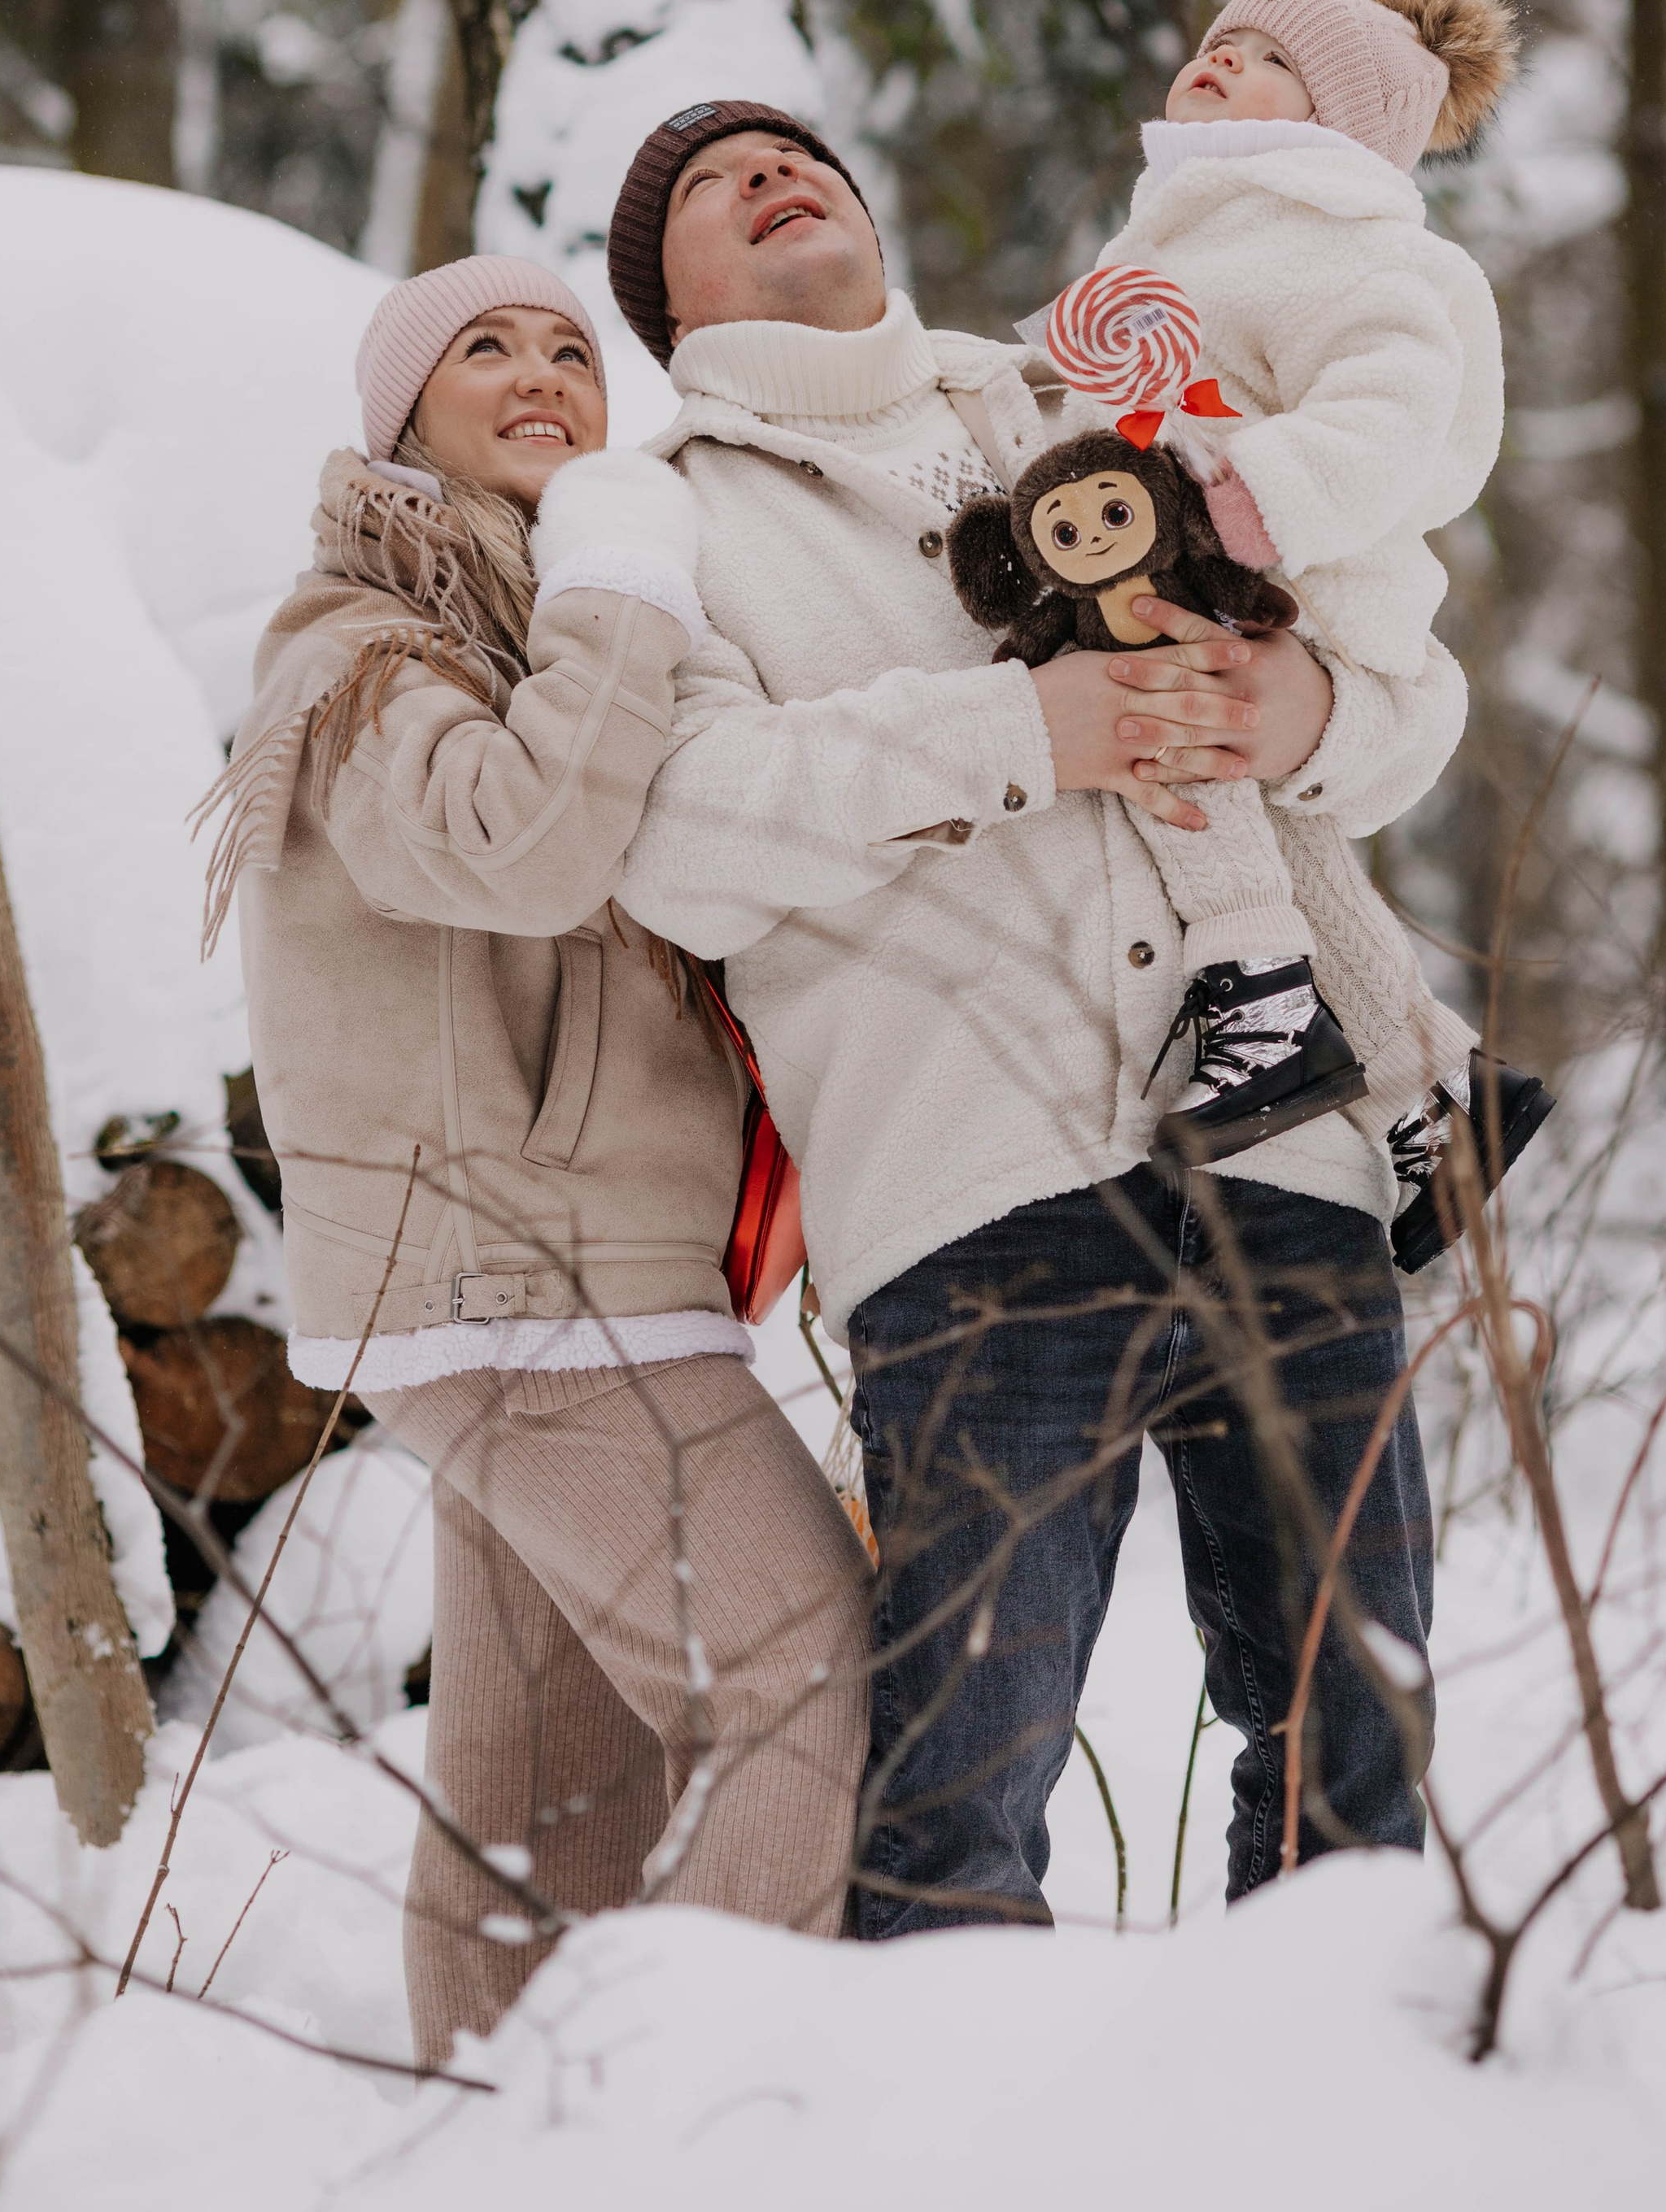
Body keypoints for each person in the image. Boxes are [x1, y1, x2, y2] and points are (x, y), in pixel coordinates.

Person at [604, 98, 1463, 1924]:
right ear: (662, 300)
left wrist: (1291, 714)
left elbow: (1410, 697)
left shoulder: (1095, 402)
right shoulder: (663, 515)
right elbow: (676, 839)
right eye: (706, 185)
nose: (770, 172)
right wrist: (1025, 735)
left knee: (1356, 1755)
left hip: (1283, 1150)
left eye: (795, 152)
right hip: (973, 1200)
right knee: (954, 1805)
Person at [203, 253, 869, 2062]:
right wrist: (622, 581)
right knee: (812, 1688)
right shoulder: (359, 649)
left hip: (562, 1277)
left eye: (571, 348)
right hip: (523, 1281)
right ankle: (672, 2119)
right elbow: (516, 852)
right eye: (480, 347)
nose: (539, 373)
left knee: (549, 1800)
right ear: (398, 414)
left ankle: (493, 2125)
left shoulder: (520, 631)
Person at [1093, 0, 1548, 1217]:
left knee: (1178, 744)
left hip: (1290, 573)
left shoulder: (1340, 234)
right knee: (1298, 852)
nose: (1229, 58)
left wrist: (1262, 493)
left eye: (1278, 61)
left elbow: (1401, 403)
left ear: (1344, 128)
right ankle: (1439, 1084)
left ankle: (1264, 999)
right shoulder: (1177, 228)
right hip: (1203, 557)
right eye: (1228, 40)